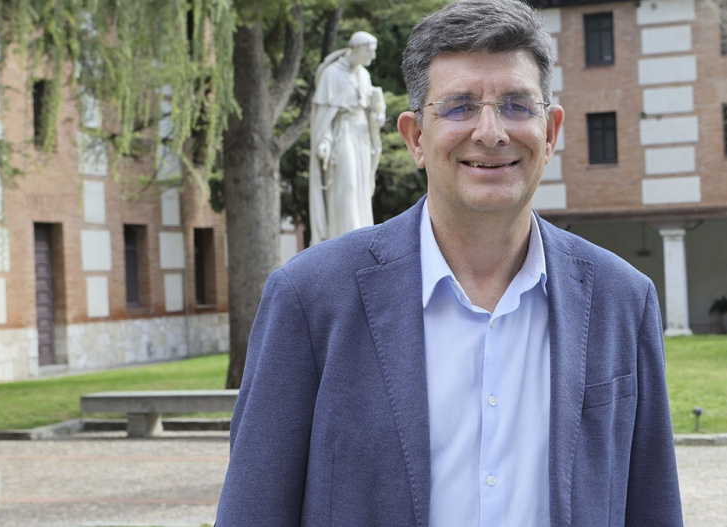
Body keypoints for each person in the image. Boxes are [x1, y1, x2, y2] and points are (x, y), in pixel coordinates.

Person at [216, 0, 684, 525]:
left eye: (516, 105)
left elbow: (652, 505)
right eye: (460, 106)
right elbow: (252, 509)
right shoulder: (309, 298)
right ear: (416, 138)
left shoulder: (623, 299)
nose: (490, 132)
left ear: (550, 132)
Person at [308, 31, 386, 245]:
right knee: (347, 186)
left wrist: (378, 112)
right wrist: (323, 141)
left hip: (362, 136)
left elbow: (371, 109)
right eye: (369, 52)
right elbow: (323, 117)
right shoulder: (331, 75)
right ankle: (346, 243)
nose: (373, 58)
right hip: (343, 135)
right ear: (358, 48)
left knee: (362, 190)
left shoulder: (363, 75)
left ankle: (361, 239)